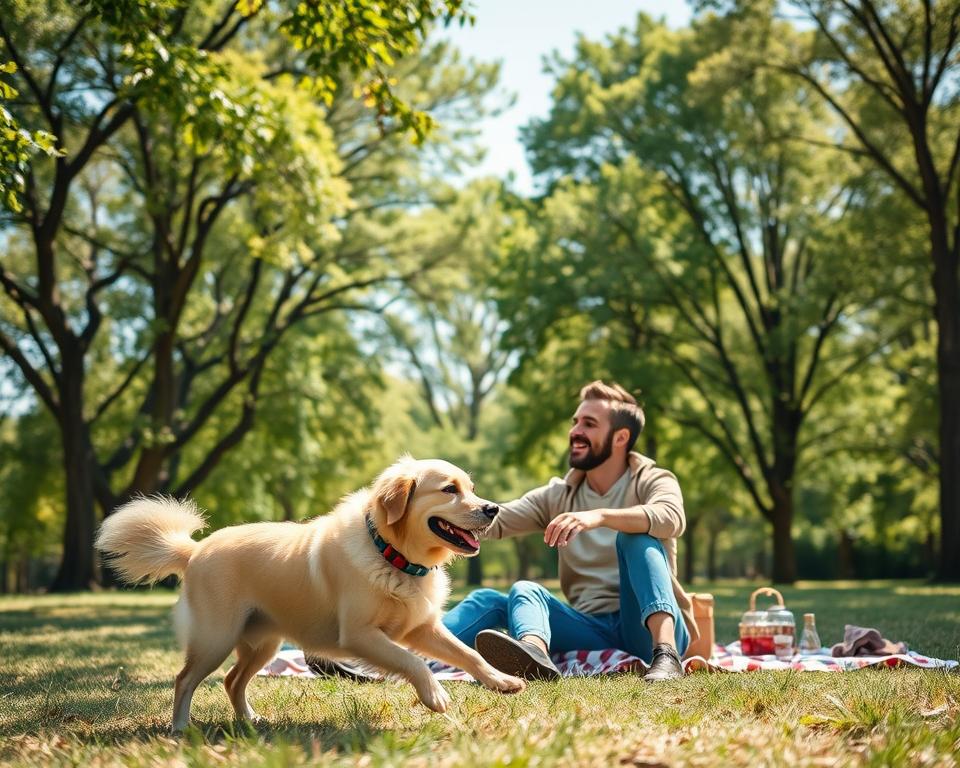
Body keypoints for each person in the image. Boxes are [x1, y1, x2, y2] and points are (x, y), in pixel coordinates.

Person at [442, 380, 698, 682]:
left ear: (621, 437)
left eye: (589, 424)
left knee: (635, 537)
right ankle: (531, 654)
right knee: (514, 593)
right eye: (575, 422)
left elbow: (670, 517)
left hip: (646, 627)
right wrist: (433, 512)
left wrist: (599, 516)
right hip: (591, 628)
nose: (575, 431)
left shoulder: (652, 480)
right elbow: (496, 520)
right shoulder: (560, 494)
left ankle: (666, 656)